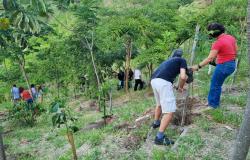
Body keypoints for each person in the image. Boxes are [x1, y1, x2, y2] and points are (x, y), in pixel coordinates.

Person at [192, 23, 237, 108]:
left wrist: (198, 66)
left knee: (215, 84)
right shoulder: (231, 37)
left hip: (224, 65)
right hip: (232, 64)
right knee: (216, 83)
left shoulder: (217, 43)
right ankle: (211, 101)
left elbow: (210, 58)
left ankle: (213, 105)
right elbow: (235, 50)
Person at [151, 49, 189, 145]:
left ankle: (156, 122)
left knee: (159, 104)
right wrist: (180, 87)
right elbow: (183, 77)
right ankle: (159, 138)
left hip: (154, 81)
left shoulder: (168, 61)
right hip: (163, 83)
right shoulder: (182, 60)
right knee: (169, 112)